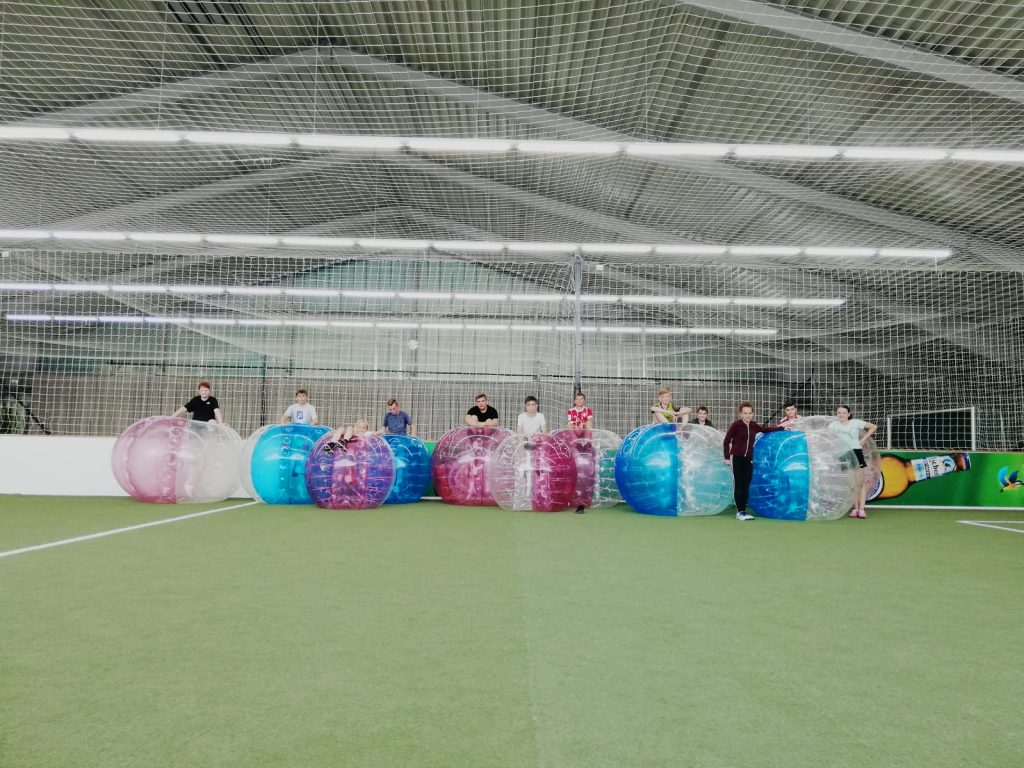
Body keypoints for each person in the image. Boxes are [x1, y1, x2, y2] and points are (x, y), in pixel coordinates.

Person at [723, 401, 788, 521]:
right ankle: (740, 511)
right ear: (740, 414)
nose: (747, 415)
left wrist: (781, 428)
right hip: (736, 458)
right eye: (745, 413)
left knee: (746, 485)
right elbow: (726, 441)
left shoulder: (753, 425)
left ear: (752, 414)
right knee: (739, 484)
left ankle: (744, 511)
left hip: (749, 459)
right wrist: (727, 457)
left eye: (749, 413)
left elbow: (765, 429)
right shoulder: (736, 425)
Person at [829, 405, 878, 519]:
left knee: (860, 482)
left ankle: (861, 510)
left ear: (849, 414)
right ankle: (855, 509)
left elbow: (873, 427)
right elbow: (825, 434)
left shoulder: (855, 422)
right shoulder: (834, 425)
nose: (841, 415)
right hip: (843, 454)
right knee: (851, 483)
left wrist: (863, 439)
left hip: (856, 452)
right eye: (839, 413)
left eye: (844, 413)